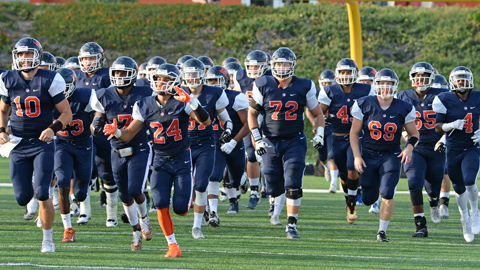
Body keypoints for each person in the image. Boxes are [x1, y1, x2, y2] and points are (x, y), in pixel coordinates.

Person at [104, 63, 211, 257]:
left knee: (180, 209)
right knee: (160, 203)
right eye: (158, 78)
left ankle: (190, 190)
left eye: (166, 79)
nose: (161, 82)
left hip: (181, 159)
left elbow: (205, 121)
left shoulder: (182, 101)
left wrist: (193, 102)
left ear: (175, 81)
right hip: (160, 160)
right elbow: (128, 134)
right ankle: (173, 245)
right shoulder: (144, 104)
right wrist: (117, 132)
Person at [0, 37, 73, 252]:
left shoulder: (49, 79)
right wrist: (2, 131)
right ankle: (34, 195)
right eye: (20, 54)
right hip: (18, 144)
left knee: (42, 192)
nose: (24, 58)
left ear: (37, 56)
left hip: (42, 142)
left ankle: (47, 241)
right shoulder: (8, 78)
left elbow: (66, 113)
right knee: (23, 197)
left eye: (28, 53)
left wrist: (53, 128)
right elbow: (3, 111)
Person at [248, 47, 325, 238]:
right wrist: (257, 139)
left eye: (286, 64)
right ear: (272, 65)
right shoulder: (263, 83)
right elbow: (252, 113)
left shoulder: (304, 85)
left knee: (293, 181)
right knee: (273, 184)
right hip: (269, 140)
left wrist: (320, 133)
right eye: (278, 64)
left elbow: (318, 114)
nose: (282, 68)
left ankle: (291, 224)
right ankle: (277, 205)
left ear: (293, 65)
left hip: (294, 140)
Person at [91, 56, 154, 250]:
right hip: (116, 150)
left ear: (133, 75)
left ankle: (144, 218)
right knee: (125, 195)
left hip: (139, 148)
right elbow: (95, 124)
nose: (119, 76)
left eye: (124, 73)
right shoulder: (104, 95)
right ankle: (136, 232)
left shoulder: (145, 93)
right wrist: (97, 125)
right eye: (116, 72)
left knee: (136, 189)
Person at [350, 68, 419, 242]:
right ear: (376, 85)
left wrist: (409, 148)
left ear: (395, 86)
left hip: (391, 155)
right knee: (368, 198)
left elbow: (414, 134)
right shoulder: (364, 103)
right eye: (382, 83)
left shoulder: (404, 107)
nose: (386, 87)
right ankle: (369, 200)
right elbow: (354, 133)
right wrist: (357, 156)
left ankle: (381, 231)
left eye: (389, 83)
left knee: (388, 192)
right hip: (368, 154)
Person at [396, 62, 448, 237]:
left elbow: (452, 119)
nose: (420, 79)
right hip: (414, 147)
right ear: (412, 78)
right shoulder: (403, 96)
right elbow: (396, 119)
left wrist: (444, 139)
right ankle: (420, 225)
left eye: (424, 76)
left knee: (434, 185)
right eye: (417, 76)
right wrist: (404, 134)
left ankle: (434, 201)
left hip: (436, 146)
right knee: (414, 182)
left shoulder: (442, 95)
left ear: (431, 78)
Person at [180, 58, 231, 239]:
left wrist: (229, 130)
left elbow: (226, 118)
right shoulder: (176, 92)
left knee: (201, 185)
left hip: (206, 144)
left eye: (195, 74)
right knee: (183, 189)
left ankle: (196, 226)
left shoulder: (214, 93)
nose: (192, 78)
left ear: (203, 74)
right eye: (189, 74)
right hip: (183, 144)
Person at [318, 58, 372, 224]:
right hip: (337, 137)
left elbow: (374, 109)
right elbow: (319, 113)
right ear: (337, 74)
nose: (346, 75)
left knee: (352, 168)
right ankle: (349, 199)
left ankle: (352, 204)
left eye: (349, 71)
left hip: (357, 136)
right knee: (344, 175)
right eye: (343, 72)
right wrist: (322, 123)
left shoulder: (366, 89)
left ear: (356, 73)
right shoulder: (329, 91)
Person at [432, 66, 480, 242]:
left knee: (469, 181)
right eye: (458, 79)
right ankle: (465, 219)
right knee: (459, 188)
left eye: (465, 78)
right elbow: (437, 127)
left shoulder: (477, 97)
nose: (462, 82)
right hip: (453, 149)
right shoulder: (445, 99)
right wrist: (451, 125)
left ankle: (475, 211)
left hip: (472, 147)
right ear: (452, 81)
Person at [53, 68, 96, 242]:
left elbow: (99, 113)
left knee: (80, 194)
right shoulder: (50, 99)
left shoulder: (86, 95)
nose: (62, 90)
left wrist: (97, 123)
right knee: (62, 183)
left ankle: (78, 201)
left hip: (84, 145)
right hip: (62, 145)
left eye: (66, 86)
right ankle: (68, 228)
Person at [76, 42, 115, 226]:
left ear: (99, 58)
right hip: (82, 130)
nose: (88, 61)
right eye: (84, 58)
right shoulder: (77, 77)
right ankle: (84, 211)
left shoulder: (107, 76)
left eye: (91, 57)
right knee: (84, 170)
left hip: (102, 130)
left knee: (107, 171)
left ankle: (112, 213)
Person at [206, 66, 249, 218]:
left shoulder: (236, 97)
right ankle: (213, 211)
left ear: (225, 81)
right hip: (213, 141)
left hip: (234, 141)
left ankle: (239, 186)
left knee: (234, 178)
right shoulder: (204, 97)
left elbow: (248, 123)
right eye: (209, 81)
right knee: (214, 175)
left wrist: (234, 142)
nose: (212, 84)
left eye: (216, 81)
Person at [233, 50, 271, 210]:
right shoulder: (240, 76)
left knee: (269, 156)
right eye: (251, 66)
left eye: (257, 67)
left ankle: (271, 189)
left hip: (269, 119)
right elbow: (235, 96)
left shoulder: (272, 77)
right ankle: (254, 191)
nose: (253, 70)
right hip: (250, 118)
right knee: (251, 154)